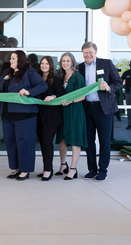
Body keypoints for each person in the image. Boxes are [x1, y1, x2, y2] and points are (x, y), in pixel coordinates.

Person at [0, 50, 47, 181]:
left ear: (20, 60)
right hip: (7, 114)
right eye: (10, 58)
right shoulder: (7, 73)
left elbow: (42, 85)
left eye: (13, 58)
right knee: (10, 143)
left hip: (24, 115)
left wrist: (29, 91)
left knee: (24, 143)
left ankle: (25, 170)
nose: (10, 60)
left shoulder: (30, 73)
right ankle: (15, 168)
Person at [78, 42, 123, 182]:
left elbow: (118, 82)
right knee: (89, 141)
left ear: (95, 52)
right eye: (85, 53)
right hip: (86, 108)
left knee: (104, 141)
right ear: (83, 54)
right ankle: (92, 169)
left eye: (90, 52)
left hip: (104, 108)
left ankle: (103, 170)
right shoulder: (79, 67)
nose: (88, 55)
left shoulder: (107, 63)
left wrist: (108, 87)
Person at [55, 53, 87, 181]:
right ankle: (63, 165)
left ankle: (73, 169)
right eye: (63, 61)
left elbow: (83, 96)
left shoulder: (77, 76)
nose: (65, 63)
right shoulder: (61, 76)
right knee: (62, 139)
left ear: (72, 62)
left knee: (74, 139)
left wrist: (71, 101)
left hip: (75, 111)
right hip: (63, 112)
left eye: (68, 61)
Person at [36, 56, 64, 181]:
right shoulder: (37, 78)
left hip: (52, 116)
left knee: (47, 142)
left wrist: (53, 96)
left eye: (46, 63)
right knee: (42, 143)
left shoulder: (56, 79)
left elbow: (62, 94)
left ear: (51, 65)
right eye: (42, 63)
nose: (44, 65)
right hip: (39, 116)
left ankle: (48, 170)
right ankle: (46, 168)